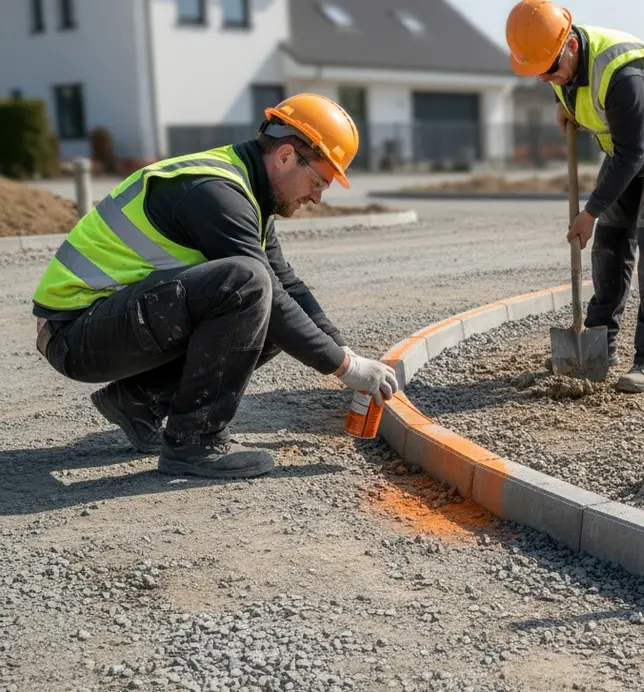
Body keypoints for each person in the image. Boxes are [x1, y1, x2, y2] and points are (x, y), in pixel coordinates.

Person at [31, 93, 399, 479]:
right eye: (319, 180)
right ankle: (194, 444)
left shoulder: (250, 191)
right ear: (287, 156)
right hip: (74, 333)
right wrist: (345, 368)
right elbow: (263, 289)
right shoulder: (213, 191)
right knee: (248, 285)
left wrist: (342, 348)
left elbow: (285, 283)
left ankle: (139, 402)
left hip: (102, 323)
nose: (318, 196)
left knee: (270, 301)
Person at [506, 0, 644, 393]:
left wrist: (590, 211)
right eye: (537, 73)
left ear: (572, 45)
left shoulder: (620, 73)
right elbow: (589, 109)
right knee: (610, 245)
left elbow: (634, 153)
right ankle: (598, 345)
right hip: (625, 147)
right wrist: (569, 112)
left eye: (549, 69)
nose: (545, 78)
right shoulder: (560, 66)